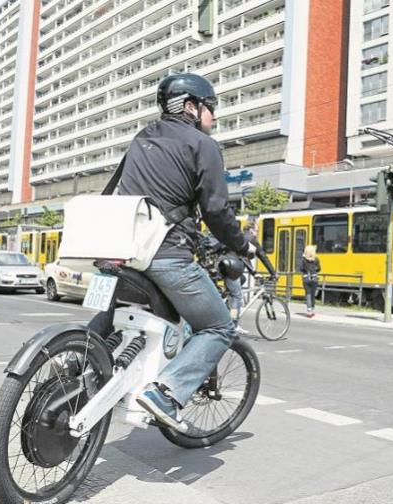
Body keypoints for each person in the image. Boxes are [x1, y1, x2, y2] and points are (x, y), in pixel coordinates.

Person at [110, 73, 256, 431]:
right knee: (219, 326)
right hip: (166, 254)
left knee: (113, 315)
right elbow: (217, 211)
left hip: (120, 250)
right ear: (192, 107)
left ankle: (73, 364)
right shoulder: (202, 145)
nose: (214, 118)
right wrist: (243, 245)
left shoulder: (142, 137)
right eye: (211, 109)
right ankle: (165, 392)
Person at [225, 219, 277, 335]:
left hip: (226, 266)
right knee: (237, 297)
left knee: (241, 282)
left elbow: (244, 257)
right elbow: (262, 256)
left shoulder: (241, 238)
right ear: (251, 230)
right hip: (232, 269)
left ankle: (225, 311)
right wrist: (273, 273)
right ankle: (233, 324)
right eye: (256, 231)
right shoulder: (251, 239)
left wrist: (254, 272)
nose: (257, 233)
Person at [299, 245, 321, 318]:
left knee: (308, 294)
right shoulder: (316, 259)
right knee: (313, 295)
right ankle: (313, 310)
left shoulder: (303, 260)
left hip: (306, 279)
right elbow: (319, 269)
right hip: (314, 279)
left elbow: (301, 269)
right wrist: (314, 271)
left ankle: (309, 311)